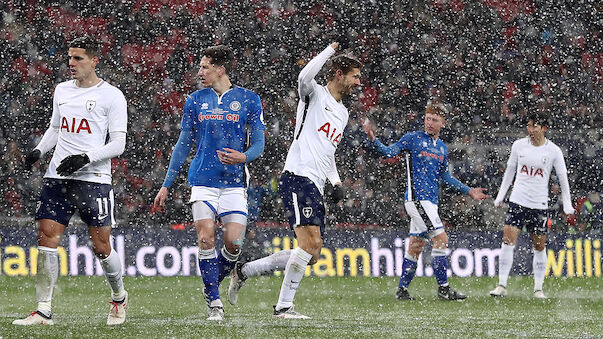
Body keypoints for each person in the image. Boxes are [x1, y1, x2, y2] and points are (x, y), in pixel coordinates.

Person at [227, 40, 361, 319]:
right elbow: (303, 76)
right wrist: (329, 51)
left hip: (316, 182)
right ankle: (283, 307)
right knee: (310, 245)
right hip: (298, 175)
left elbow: (328, 151)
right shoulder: (314, 94)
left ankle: (244, 270)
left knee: (311, 253)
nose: (358, 83)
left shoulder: (344, 113)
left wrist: (335, 182)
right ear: (339, 73)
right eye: (355, 76)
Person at [13, 36, 129, 326]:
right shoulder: (62, 90)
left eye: (78, 58)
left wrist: (86, 158)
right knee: (47, 239)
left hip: (94, 179)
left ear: (94, 61)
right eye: (70, 58)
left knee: (101, 247)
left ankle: (119, 297)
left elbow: (118, 144)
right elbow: (56, 127)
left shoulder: (112, 96)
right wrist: (40, 150)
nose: (71, 63)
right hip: (58, 176)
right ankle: (43, 310)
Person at [153, 45, 265, 321]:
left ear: (220, 69)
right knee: (205, 238)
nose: (200, 72)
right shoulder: (195, 100)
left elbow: (260, 144)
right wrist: (167, 183)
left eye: (204, 67)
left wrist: (244, 156)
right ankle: (214, 300)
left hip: (234, 184)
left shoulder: (249, 99)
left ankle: (210, 284)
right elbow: (183, 145)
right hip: (202, 180)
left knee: (235, 242)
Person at [363, 102, 489, 301]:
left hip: (430, 202)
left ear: (443, 123)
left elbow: (445, 177)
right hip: (417, 200)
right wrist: (373, 139)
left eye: (435, 120)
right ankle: (444, 289)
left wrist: (469, 191)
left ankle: (402, 290)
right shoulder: (413, 139)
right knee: (441, 240)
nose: (430, 123)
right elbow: (388, 152)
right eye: (428, 118)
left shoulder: (441, 148)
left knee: (416, 245)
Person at [490, 113, 574, 298]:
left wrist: (567, 203)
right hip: (518, 201)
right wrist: (500, 196)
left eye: (535, 126)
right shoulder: (518, 146)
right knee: (507, 240)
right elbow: (510, 171)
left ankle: (538, 288)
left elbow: (563, 179)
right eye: (529, 126)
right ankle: (502, 285)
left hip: (539, 205)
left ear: (543, 128)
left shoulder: (553, 151)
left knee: (539, 246)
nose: (531, 130)